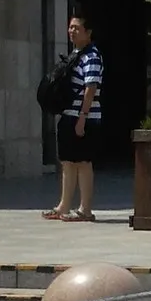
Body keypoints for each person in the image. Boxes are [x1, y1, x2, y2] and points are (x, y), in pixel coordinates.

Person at [44, 12, 103, 221]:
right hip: (69, 115)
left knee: (83, 163)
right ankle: (63, 206)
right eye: (71, 27)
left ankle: (85, 209)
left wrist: (82, 118)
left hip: (83, 117)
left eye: (77, 28)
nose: (72, 31)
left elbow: (91, 88)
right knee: (68, 162)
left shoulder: (92, 56)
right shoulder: (75, 55)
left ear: (88, 33)